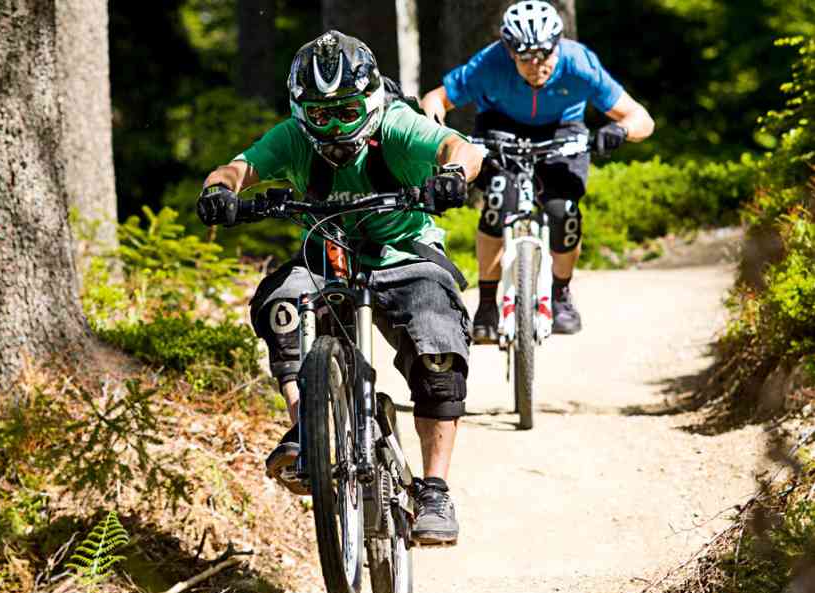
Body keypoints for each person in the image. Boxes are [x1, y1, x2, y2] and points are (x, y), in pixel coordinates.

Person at [196, 30, 483, 546]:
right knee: (282, 305)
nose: (332, 125)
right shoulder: (291, 137)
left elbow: (457, 147)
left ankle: (435, 490)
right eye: (320, 114)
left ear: (369, 102)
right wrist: (220, 190)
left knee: (438, 348)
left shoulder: (397, 124)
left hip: (403, 255)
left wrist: (454, 174)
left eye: (346, 111)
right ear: (300, 111)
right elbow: (236, 168)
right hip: (325, 256)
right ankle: (307, 431)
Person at [421, 0, 655, 341]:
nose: (536, 66)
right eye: (525, 57)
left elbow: (642, 118)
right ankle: (486, 304)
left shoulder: (579, 63)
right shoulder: (489, 62)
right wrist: (437, 132)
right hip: (501, 127)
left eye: (544, 55)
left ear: (557, 45)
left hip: (562, 130)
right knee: (498, 202)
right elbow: (436, 99)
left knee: (564, 212)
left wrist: (619, 130)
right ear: (509, 51)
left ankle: (561, 294)